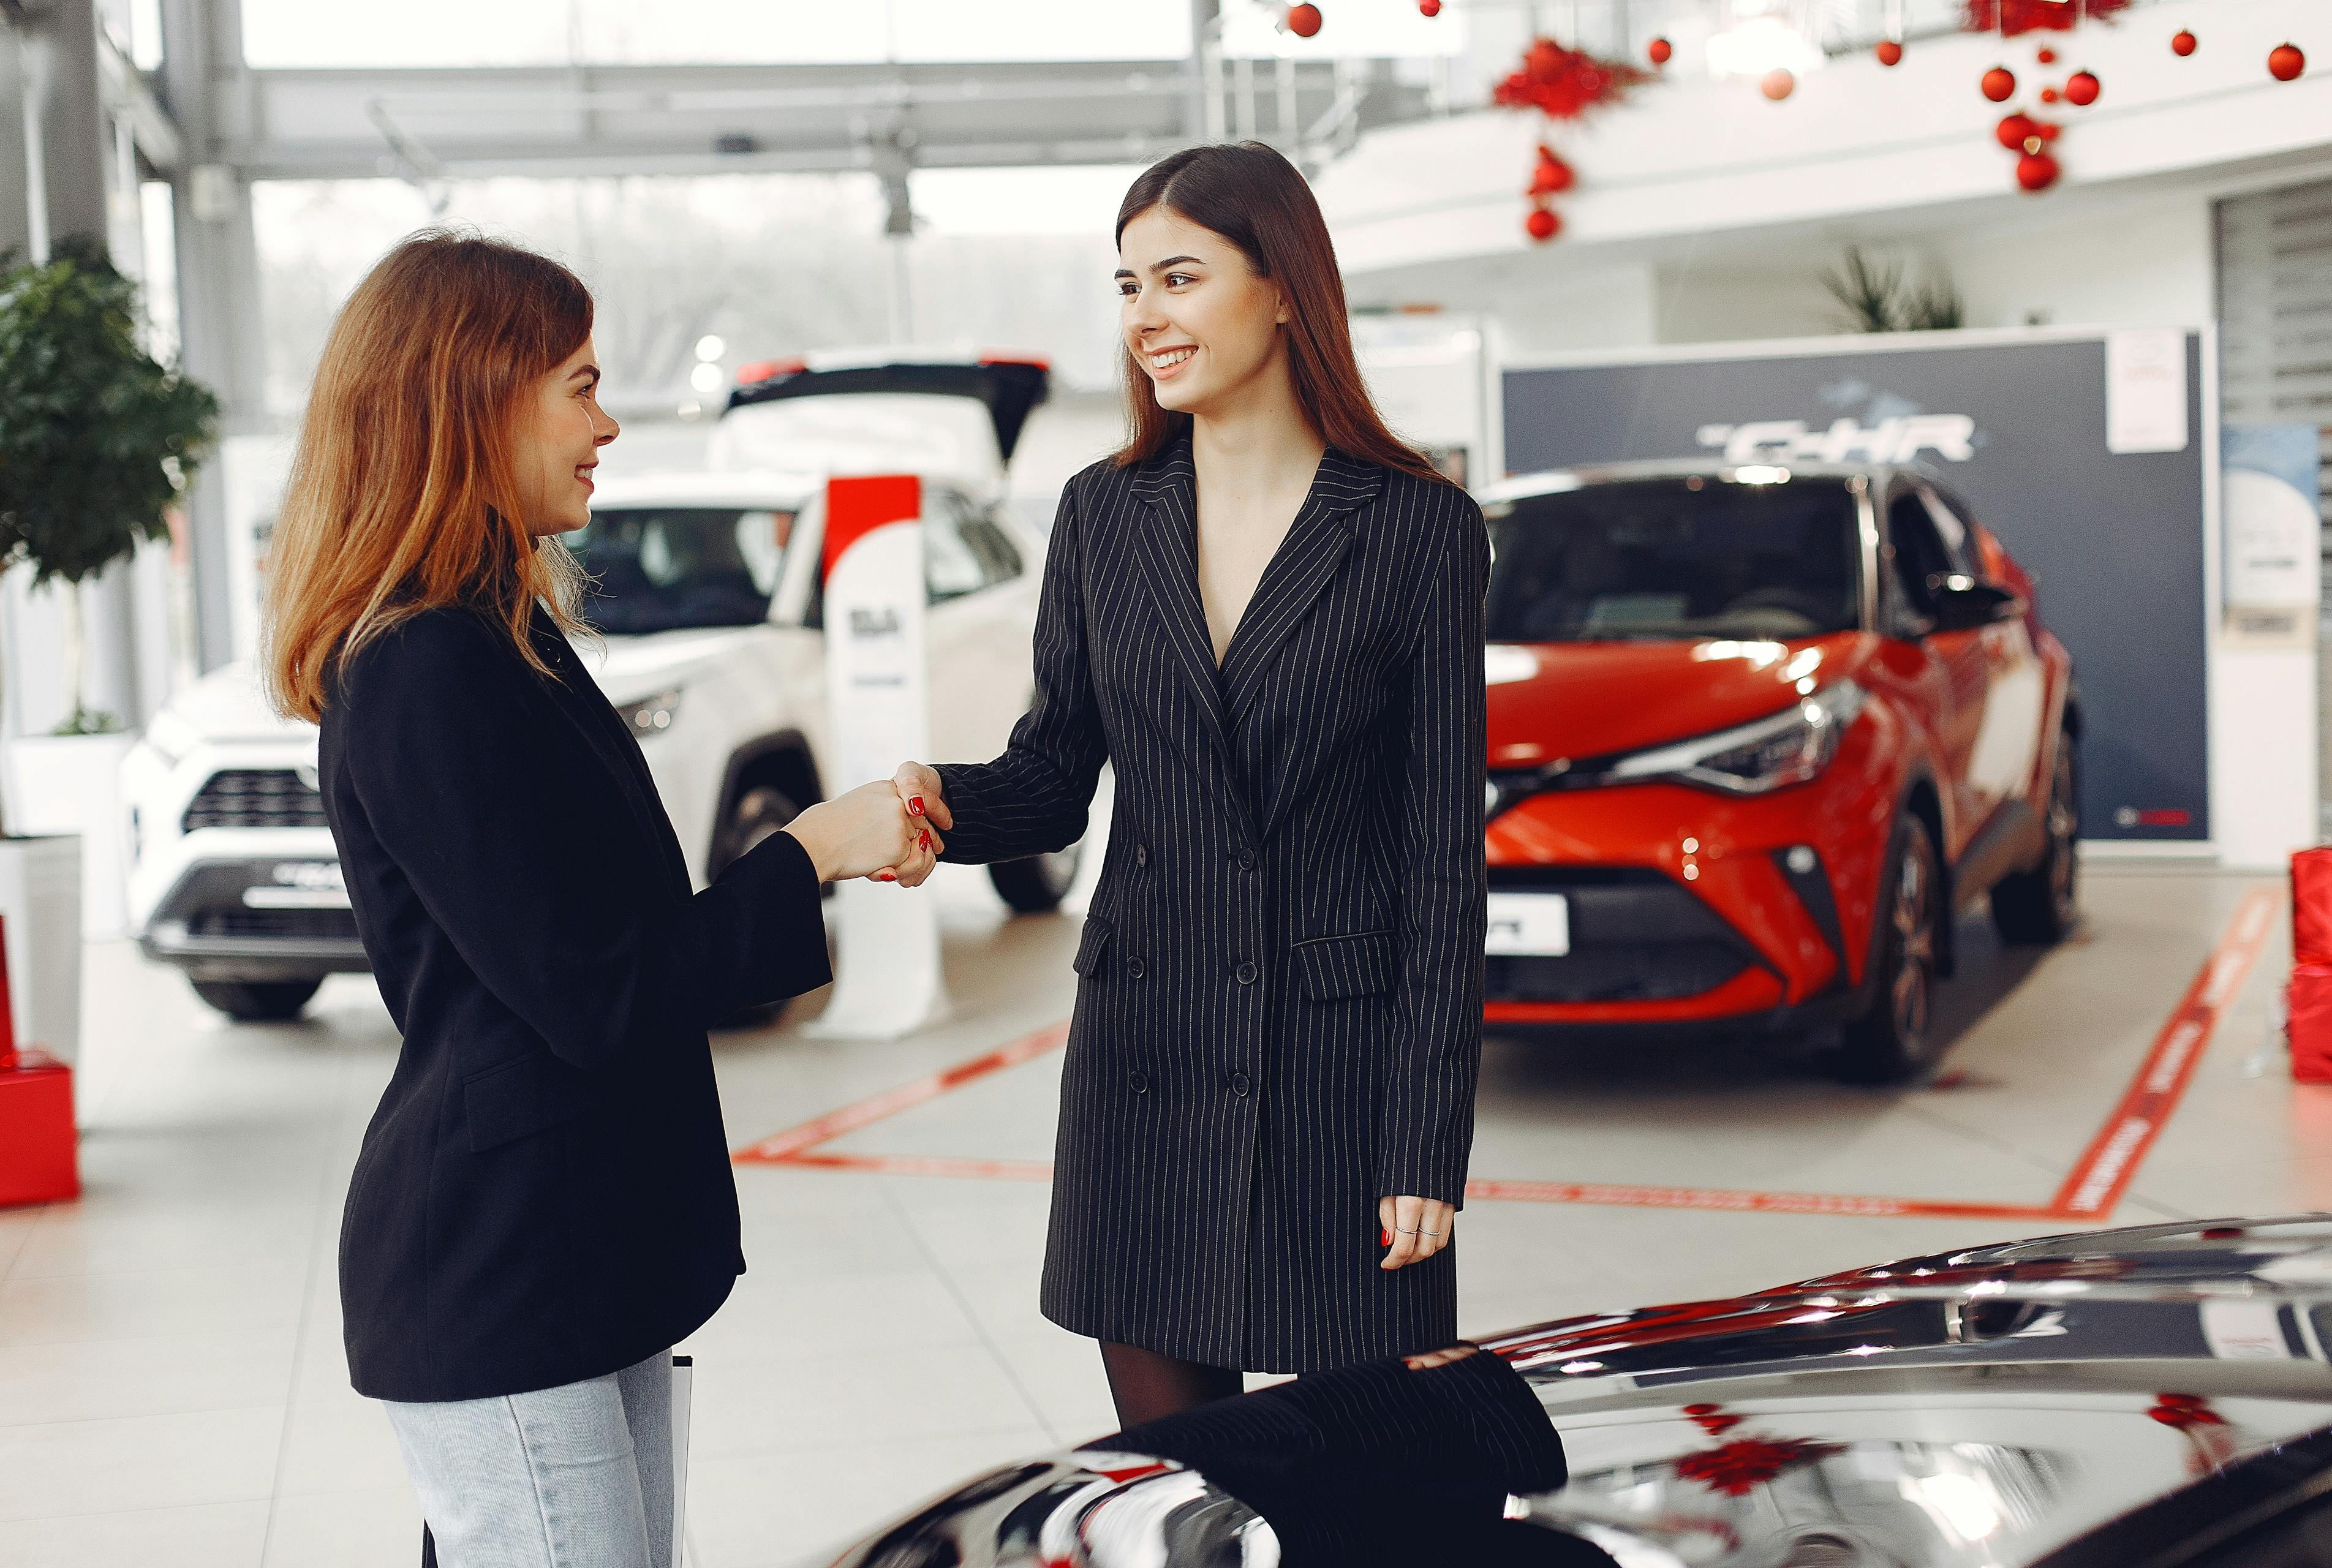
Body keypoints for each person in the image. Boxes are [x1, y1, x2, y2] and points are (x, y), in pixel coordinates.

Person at [261, 230, 934, 1568]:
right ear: (476, 396)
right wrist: (808, 850)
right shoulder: (424, 667)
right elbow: (599, 985)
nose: (606, 421)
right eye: (579, 383)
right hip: (505, 1274)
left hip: (574, 1251)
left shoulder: (493, 635)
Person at [883, 141, 1489, 1428]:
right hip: (1145, 1066)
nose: (1145, 317)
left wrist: (1426, 1142)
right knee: (1180, 1489)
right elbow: (1057, 772)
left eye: (1178, 276)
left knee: (1366, 1495)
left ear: (1283, 289)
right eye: (1125, 285)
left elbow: (1444, 858)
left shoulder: (1415, 526)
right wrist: (935, 801)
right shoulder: (1104, 513)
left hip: (1338, 1075)